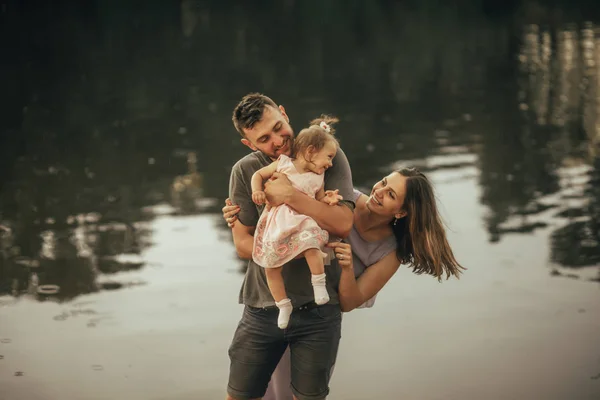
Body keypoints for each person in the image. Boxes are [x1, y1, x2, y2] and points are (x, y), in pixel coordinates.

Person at [223, 167, 465, 399]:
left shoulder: (390, 252)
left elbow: (349, 302)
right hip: (280, 306)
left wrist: (347, 268)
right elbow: (285, 207)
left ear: (401, 212)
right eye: (383, 183)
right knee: (263, 391)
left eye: (391, 195)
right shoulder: (343, 200)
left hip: (316, 322)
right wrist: (239, 217)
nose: (379, 191)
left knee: (291, 393)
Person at [225, 93, 355, 400]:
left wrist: (290, 197)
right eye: (264, 139)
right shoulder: (245, 172)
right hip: (261, 307)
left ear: (284, 113)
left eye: (278, 127)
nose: (278, 141)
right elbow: (243, 245)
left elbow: (343, 224)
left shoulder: (326, 153)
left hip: (319, 311)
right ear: (250, 144)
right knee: (239, 396)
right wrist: (294, 242)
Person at [251, 118, 344, 329]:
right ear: (311, 151)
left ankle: (318, 284)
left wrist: (328, 200)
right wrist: (256, 189)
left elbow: (318, 202)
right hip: (278, 220)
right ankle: (283, 304)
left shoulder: (318, 179)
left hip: (302, 220)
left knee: (311, 243)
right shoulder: (283, 164)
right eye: (328, 157)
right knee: (271, 266)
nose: (330, 164)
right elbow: (258, 174)